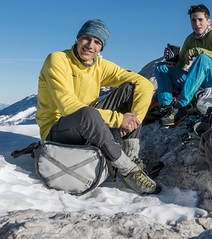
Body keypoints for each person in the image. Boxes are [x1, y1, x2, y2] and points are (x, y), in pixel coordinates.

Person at [35, 19, 162, 195]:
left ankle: (132, 158)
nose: (90, 46)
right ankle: (128, 171)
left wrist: (134, 119)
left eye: (97, 42)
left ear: (101, 48)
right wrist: (119, 119)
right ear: (78, 38)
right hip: (57, 130)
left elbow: (144, 84)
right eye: (86, 38)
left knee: (130, 88)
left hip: (88, 124)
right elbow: (67, 107)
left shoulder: (99, 66)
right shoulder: (57, 60)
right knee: (87, 112)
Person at [155, 4, 212, 126]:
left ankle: (181, 105)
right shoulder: (190, 39)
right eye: (193, 20)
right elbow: (180, 65)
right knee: (162, 67)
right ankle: (166, 107)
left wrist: (198, 51)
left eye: (200, 19)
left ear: (208, 21)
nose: (197, 24)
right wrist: (170, 59)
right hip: (198, 81)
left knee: (203, 59)